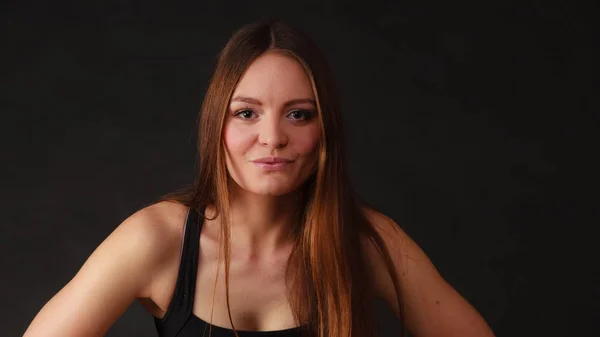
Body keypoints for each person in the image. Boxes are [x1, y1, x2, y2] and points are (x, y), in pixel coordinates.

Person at [23, 19, 496, 337]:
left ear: (324, 128)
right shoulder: (156, 239)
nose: (272, 138)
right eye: (247, 113)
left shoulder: (368, 240)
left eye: (298, 114)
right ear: (217, 126)